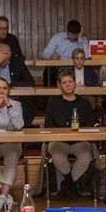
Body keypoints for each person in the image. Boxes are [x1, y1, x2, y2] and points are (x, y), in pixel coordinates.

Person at [41, 70, 98, 199]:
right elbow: (49, 125)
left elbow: (90, 123)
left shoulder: (84, 103)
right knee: (57, 155)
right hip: (59, 141)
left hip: (80, 141)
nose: (67, 85)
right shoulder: (53, 103)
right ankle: (72, 185)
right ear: (59, 85)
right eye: (64, 82)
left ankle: (66, 185)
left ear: (75, 84)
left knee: (86, 156)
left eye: (70, 82)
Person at [40, 19, 89, 84]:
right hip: (58, 67)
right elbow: (44, 53)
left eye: (75, 35)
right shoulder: (58, 38)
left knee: (86, 71)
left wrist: (80, 39)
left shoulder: (83, 40)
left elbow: (87, 56)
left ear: (79, 33)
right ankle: (51, 90)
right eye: (71, 34)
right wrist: (51, 56)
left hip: (74, 67)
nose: (72, 36)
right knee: (49, 71)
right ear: (67, 31)